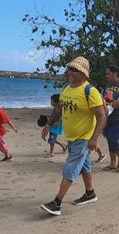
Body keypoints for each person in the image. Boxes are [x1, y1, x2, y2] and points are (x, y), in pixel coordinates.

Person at [40, 56, 106, 216]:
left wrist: (94, 138)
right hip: (72, 136)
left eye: (74, 70)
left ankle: (57, 203)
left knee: (70, 168)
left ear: (83, 73)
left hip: (84, 137)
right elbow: (59, 109)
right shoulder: (66, 89)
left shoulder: (90, 92)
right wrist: (48, 124)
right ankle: (90, 194)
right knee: (85, 166)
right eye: (70, 68)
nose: (70, 72)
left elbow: (102, 116)